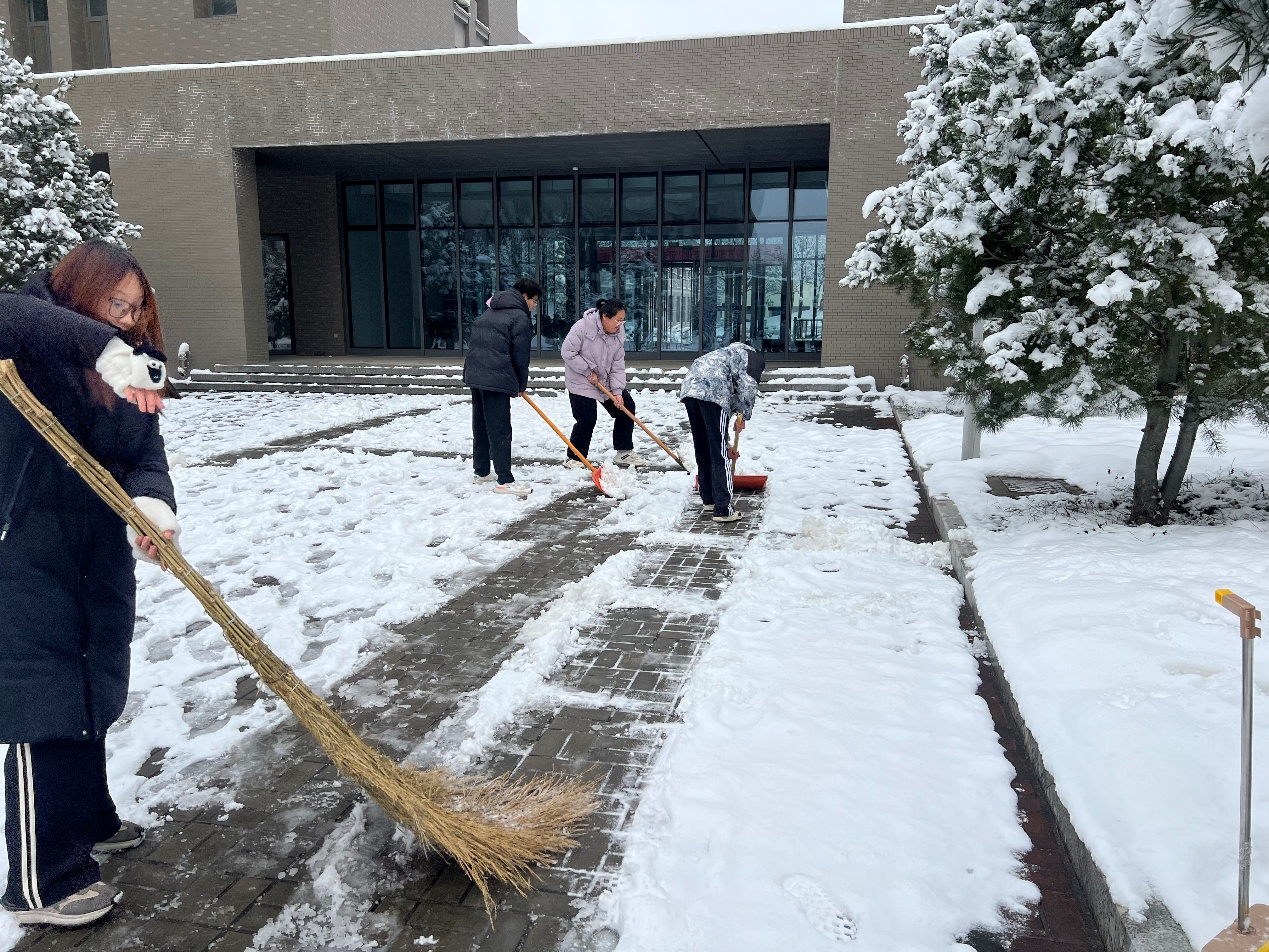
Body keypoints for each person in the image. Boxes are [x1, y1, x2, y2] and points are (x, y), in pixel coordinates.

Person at [0, 240, 177, 928]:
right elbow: (9, 313)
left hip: (97, 551)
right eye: (115, 304)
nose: (127, 321)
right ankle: (42, 884)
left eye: (135, 310)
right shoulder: (29, 336)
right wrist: (105, 347)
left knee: (89, 687)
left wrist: (153, 506)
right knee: (41, 703)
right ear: (78, 290)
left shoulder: (136, 369)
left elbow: (146, 453)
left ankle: (90, 820)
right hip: (26, 552)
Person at [462, 277, 541, 498]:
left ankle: (481, 471)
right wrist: (520, 384)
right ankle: (504, 479)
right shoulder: (519, 317)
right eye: (534, 301)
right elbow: (520, 355)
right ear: (524, 296)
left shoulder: (491, 310)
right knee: (500, 429)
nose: (534, 306)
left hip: (475, 374)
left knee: (481, 424)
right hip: (496, 377)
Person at [679, 342, 765, 524]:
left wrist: (727, 442)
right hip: (713, 391)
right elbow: (748, 386)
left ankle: (709, 499)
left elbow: (719, 422)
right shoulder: (753, 357)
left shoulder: (724, 355)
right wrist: (743, 415)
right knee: (719, 453)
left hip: (690, 389)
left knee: (703, 445)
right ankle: (723, 509)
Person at [559, 298, 645, 470]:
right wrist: (587, 371)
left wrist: (618, 391)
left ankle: (624, 452)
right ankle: (574, 458)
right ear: (605, 316)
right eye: (617, 320)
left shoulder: (618, 333)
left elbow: (617, 363)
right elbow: (568, 352)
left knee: (626, 408)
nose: (620, 324)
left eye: (623, 320)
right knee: (587, 418)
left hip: (604, 379)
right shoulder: (582, 327)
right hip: (581, 379)